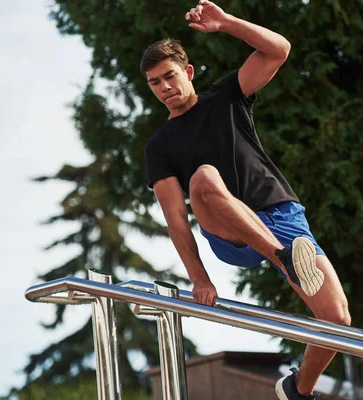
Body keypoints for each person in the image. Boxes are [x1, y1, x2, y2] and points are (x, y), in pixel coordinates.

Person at [141, 1, 351, 399]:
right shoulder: (160, 146)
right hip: (228, 231)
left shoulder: (226, 97)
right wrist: (199, 279)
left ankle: (298, 390)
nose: (165, 88)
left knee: (337, 317)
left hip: (282, 216)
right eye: (155, 83)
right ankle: (284, 257)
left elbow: (279, 50)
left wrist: (227, 24)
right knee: (204, 177)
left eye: (169, 77)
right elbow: (175, 219)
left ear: (187, 72)